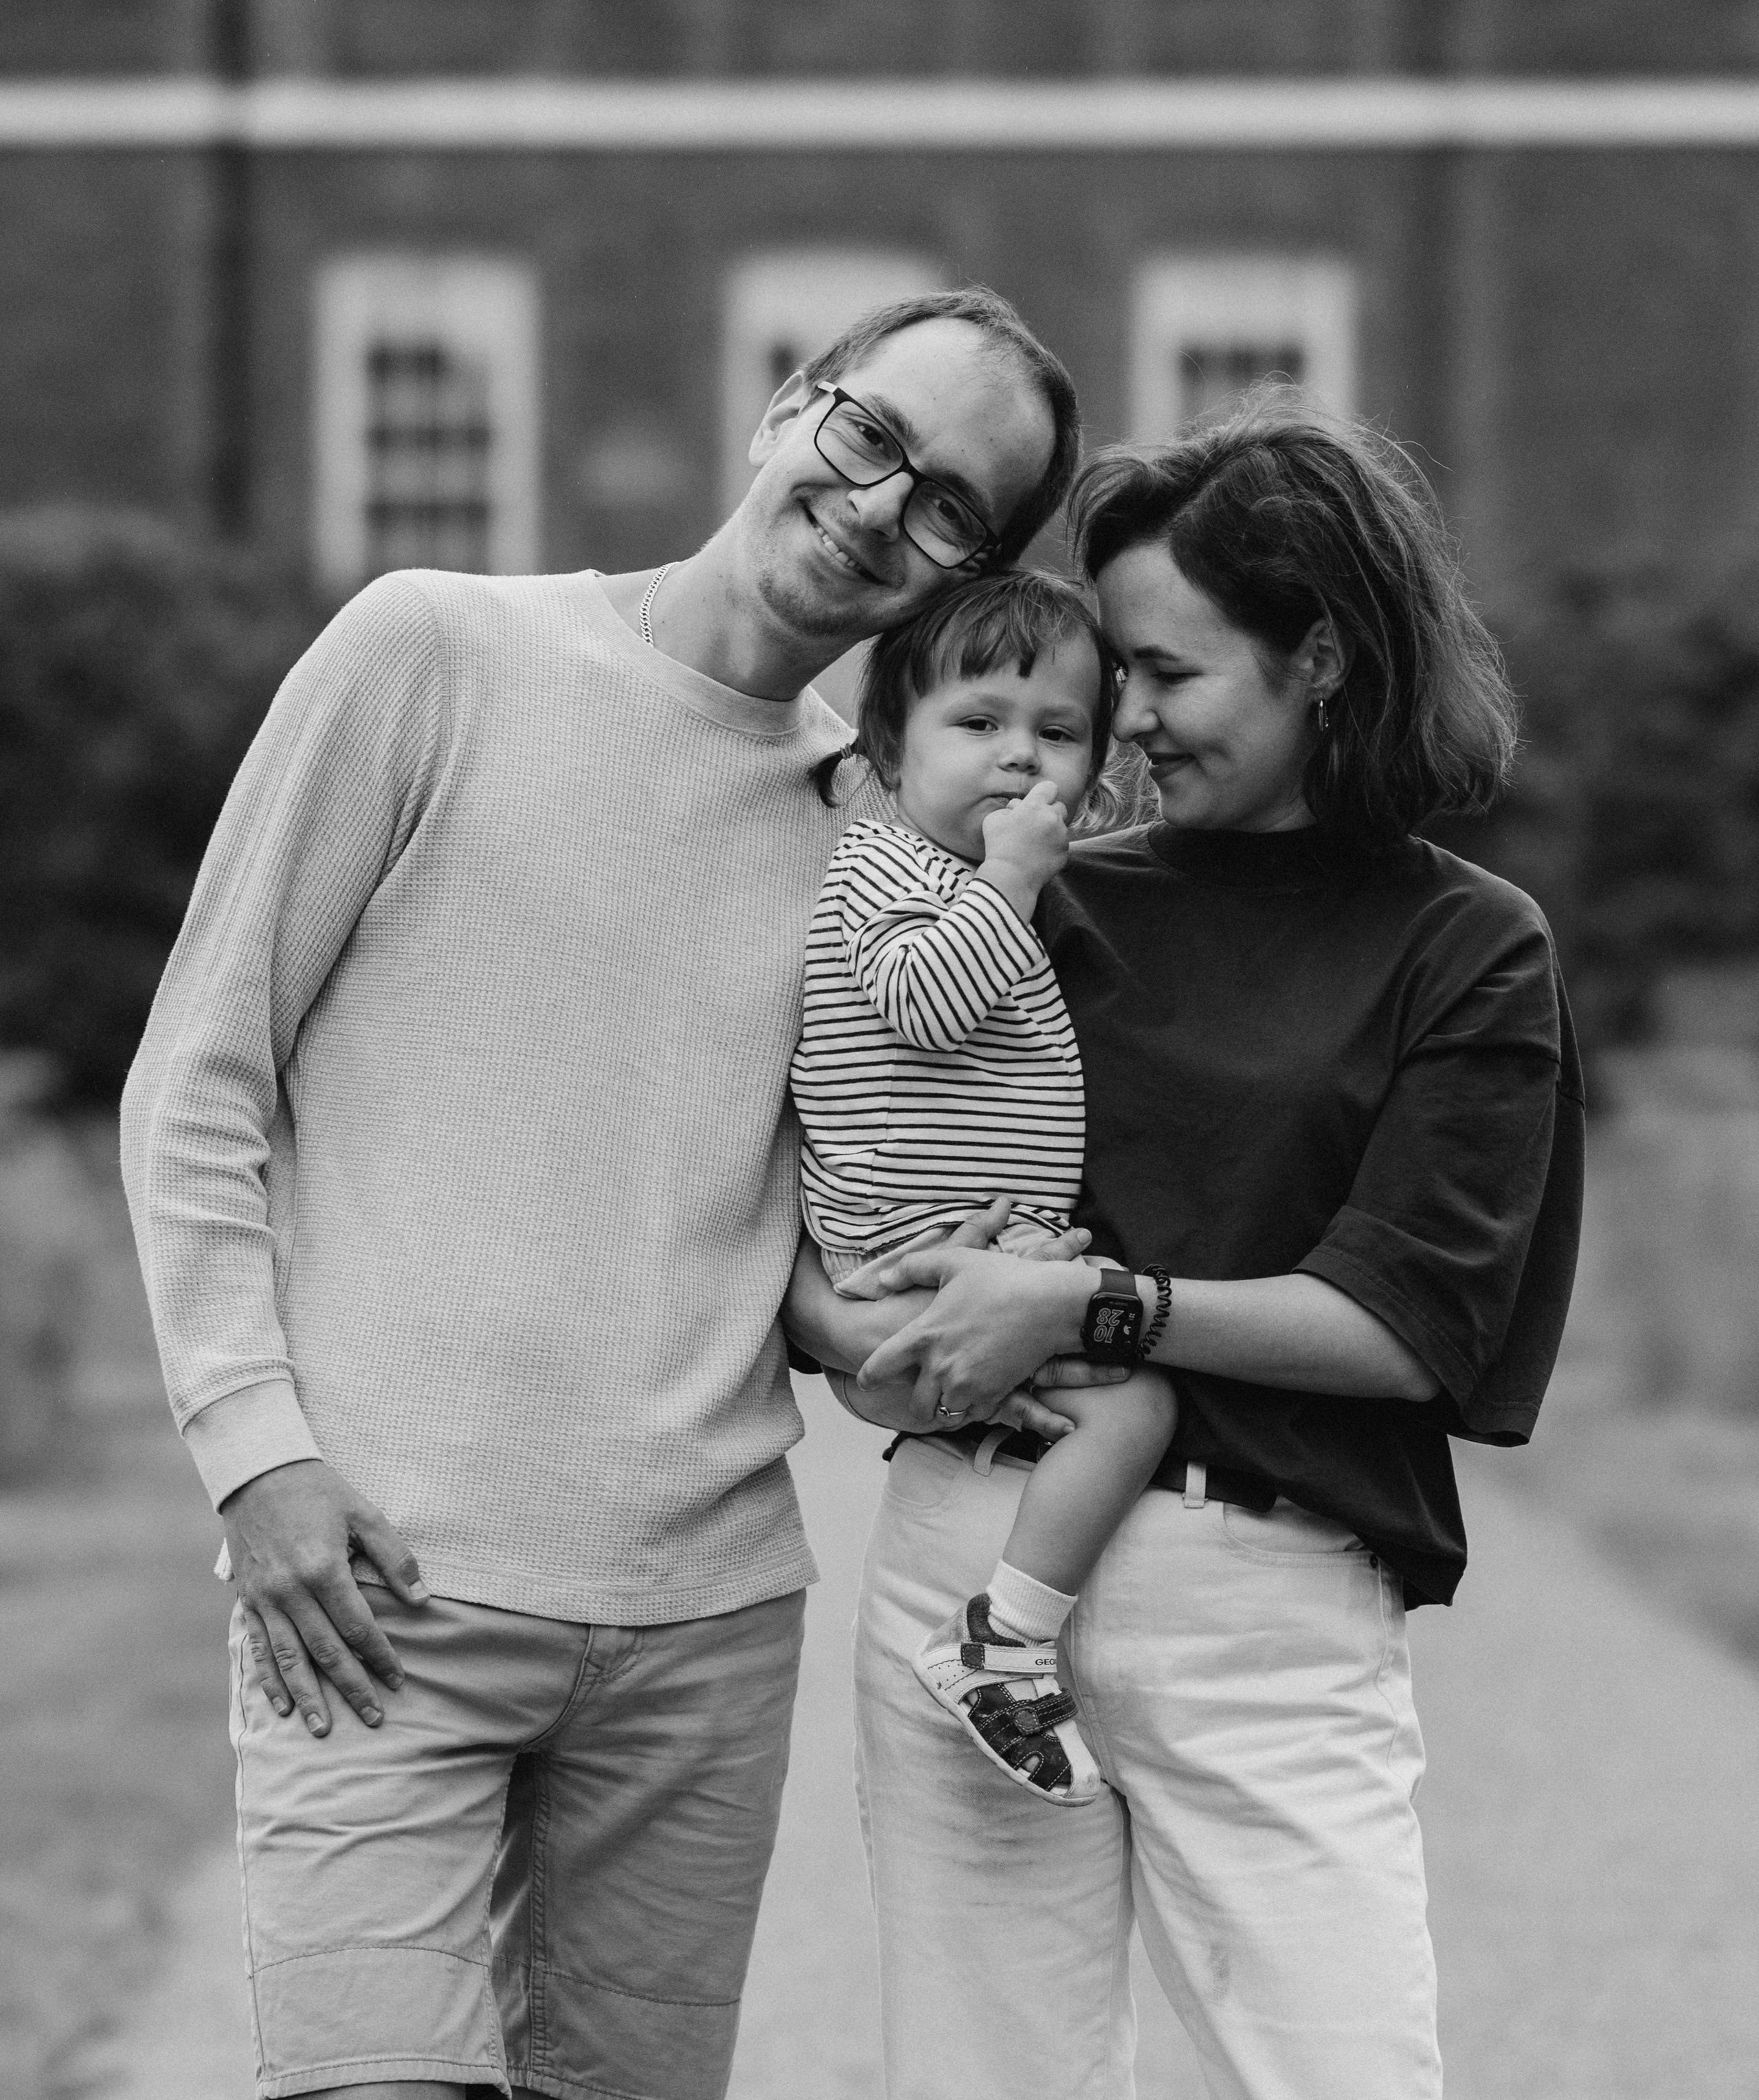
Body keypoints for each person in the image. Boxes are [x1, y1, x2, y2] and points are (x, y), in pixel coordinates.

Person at [120, 285, 1086, 2100]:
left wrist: (905, 1333)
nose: (882, 504)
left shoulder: (865, 846)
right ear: (787, 411)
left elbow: (781, 1220)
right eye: (872, 435)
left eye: (950, 504)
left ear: (960, 574)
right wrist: (256, 1455)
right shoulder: (431, 655)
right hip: (378, 1597)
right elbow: (199, 1081)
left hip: (701, 1638)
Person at [787, 394, 1586, 2100]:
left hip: (1266, 1608)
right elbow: (811, 1144)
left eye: (1165, 674)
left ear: (1321, 658)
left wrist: (1091, 1303)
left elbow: (1407, 1320)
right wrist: (857, 1330)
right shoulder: (1038, 896)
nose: (1118, 727)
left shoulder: (1465, 947)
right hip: (967, 1554)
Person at [792, 568, 1177, 1807]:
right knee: (1136, 1411)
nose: (1022, 759)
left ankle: (1005, 1624)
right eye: (980, 724)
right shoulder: (877, 868)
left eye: (1058, 734)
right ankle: (1004, 1644)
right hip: (905, 1249)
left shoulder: (966, 882)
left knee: (1078, 1412)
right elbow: (924, 1002)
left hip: (964, 1247)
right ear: (890, 745)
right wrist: (1009, 881)